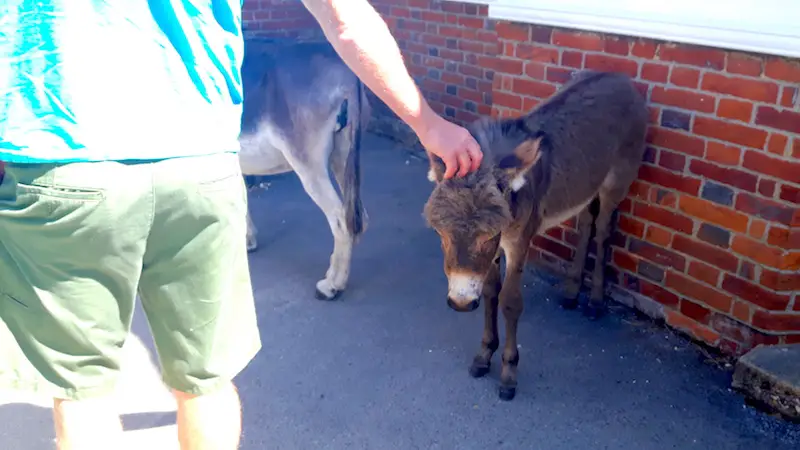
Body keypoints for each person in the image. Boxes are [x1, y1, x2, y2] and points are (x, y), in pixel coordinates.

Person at [0, 0, 482, 449]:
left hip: (61, 152)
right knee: (205, 382)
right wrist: (430, 125)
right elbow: (346, 18)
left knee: (85, 393)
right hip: (200, 156)